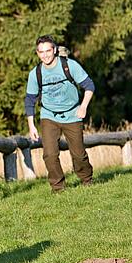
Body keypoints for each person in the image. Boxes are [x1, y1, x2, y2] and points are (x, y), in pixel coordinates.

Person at [25, 35, 96, 193]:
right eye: (41, 52)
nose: (45, 55)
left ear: (55, 50)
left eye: (48, 51)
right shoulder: (35, 74)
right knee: (49, 154)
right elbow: (30, 100)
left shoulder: (69, 66)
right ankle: (58, 187)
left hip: (72, 114)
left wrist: (83, 106)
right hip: (49, 115)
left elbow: (89, 85)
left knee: (78, 154)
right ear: (37, 53)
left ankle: (86, 179)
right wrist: (31, 125)